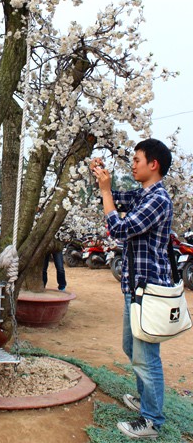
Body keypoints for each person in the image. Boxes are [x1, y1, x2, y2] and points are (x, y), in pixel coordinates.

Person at [90, 138, 173, 440]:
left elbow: (121, 229)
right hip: (135, 287)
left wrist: (104, 190)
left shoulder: (158, 199)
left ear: (154, 164)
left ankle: (152, 420)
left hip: (148, 289)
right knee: (132, 348)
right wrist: (101, 178)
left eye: (137, 159)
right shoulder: (144, 195)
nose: (133, 164)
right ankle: (145, 401)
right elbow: (113, 198)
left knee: (146, 355)